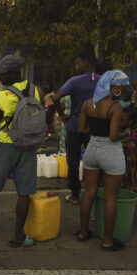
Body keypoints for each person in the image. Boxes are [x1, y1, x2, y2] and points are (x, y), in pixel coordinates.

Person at [0, 55, 40, 247]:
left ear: (13, 73)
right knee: (24, 193)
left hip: (6, 144)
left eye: (2, 73)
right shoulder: (35, 90)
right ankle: (18, 235)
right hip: (29, 146)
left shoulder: (2, 96)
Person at [77, 70, 130, 251]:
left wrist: (96, 132)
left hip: (92, 149)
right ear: (113, 87)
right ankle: (108, 241)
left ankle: (83, 233)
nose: (123, 91)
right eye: (122, 88)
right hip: (111, 152)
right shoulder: (115, 107)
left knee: (89, 192)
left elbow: (81, 128)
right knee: (110, 198)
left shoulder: (88, 104)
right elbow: (114, 135)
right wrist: (127, 133)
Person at [45, 54, 100, 205]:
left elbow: (54, 98)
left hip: (75, 125)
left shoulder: (74, 81)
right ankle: (93, 193)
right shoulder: (102, 80)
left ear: (86, 62)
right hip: (94, 127)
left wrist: (62, 116)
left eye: (78, 64)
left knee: (73, 161)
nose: (76, 67)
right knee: (95, 161)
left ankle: (75, 195)